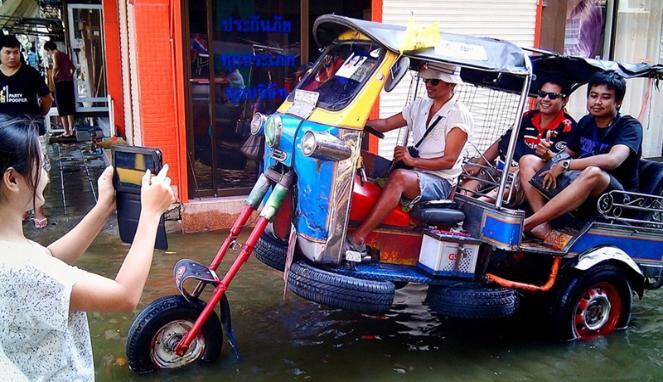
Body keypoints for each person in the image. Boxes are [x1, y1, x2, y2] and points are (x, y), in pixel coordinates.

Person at [0, 117, 175, 380]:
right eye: (43, 164)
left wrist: (103, 207)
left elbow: (49, 257)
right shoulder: (21, 270)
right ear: (12, 179)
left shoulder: (12, 250)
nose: (46, 175)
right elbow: (125, 295)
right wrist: (150, 214)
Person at [347, 62, 473, 253]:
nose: (428, 84)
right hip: (415, 170)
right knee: (361, 157)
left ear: (451, 85)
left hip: (440, 181)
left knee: (399, 177)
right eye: (427, 80)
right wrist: (355, 122)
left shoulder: (458, 115)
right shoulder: (421, 105)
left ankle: (359, 237)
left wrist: (412, 161)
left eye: (435, 81)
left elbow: (449, 160)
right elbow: (387, 123)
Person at [520, 72, 642, 249]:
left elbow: (613, 160)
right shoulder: (586, 122)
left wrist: (565, 164)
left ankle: (528, 224)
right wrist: (548, 155)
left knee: (593, 172)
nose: (597, 102)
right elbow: (567, 155)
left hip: (616, 198)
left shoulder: (629, 126)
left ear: (618, 102)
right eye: (593, 96)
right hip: (580, 185)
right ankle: (544, 230)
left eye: (605, 97)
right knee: (527, 160)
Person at [462, 77, 577, 205]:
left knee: (516, 181)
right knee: (474, 168)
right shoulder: (527, 117)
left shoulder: (569, 128)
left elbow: (560, 162)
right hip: (502, 169)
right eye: (542, 94)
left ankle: (477, 204)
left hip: (527, 179)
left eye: (552, 96)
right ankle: (462, 203)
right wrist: (479, 163)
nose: (545, 99)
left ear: (565, 100)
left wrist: (516, 170)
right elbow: (502, 141)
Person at [0, 35, 53, 229]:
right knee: (10, 172)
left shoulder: (30, 74)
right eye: (7, 52)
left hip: (32, 131)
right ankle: (18, 208)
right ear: (0, 53)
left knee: (38, 170)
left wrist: (37, 117)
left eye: (16, 52)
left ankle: (38, 210)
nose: (12, 56)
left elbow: (47, 99)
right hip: (5, 135)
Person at [44, 41, 76, 138]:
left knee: (62, 107)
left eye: (47, 51)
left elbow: (56, 66)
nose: (48, 54)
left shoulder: (55, 54)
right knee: (69, 106)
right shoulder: (64, 54)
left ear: (49, 49)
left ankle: (66, 131)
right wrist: (69, 75)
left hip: (60, 83)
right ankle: (72, 130)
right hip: (69, 82)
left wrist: (53, 76)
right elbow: (73, 68)